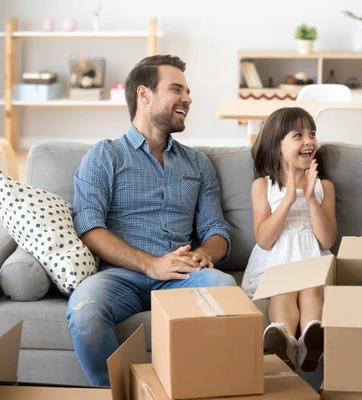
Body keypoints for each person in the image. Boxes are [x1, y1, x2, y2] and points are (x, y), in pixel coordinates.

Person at [67, 55, 236, 387]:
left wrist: (206, 253)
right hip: (121, 276)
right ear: (144, 95)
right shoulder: (106, 155)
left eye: (188, 92)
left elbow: (217, 230)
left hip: (182, 274)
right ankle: (114, 392)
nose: (187, 98)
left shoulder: (198, 164)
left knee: (226, 289)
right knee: (85, 310)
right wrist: (150, 265)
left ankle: (202, 389)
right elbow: (89, 226)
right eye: (176, 89)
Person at [241, 107, 337, 372]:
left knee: (311, 289)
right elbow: (264, 239)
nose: (309, 141)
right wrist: (288, 198)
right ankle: (282, 340)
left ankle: (311, 340)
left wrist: (309, 199)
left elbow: (327, 239)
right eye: (298, 135)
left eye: (312, 134)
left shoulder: (323, 186)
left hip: (311, 259)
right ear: (277, 147)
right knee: (282, 292)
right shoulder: (263, 185)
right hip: (277, 262)